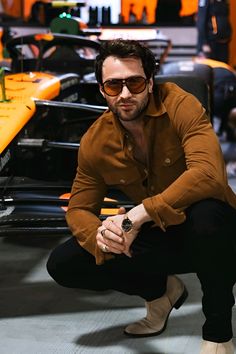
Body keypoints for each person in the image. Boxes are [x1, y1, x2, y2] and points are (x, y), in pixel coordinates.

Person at [47, 39, 236, 354]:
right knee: (65, 263)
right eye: (113, 85)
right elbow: (79, 208)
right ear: (101, 89)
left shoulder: (180, 104)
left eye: (134, 82)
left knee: (207, 217)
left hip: (216, 230)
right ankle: (161, 294)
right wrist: (102, 234)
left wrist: (135, 216)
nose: (124, 94)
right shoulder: (95, 140)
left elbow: (208, 174)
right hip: (160, 231)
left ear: (149, 83)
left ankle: (218, 335)